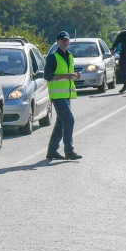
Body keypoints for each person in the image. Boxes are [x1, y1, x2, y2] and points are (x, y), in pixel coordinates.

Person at [44, 31, 82, 161]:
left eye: (67, 40)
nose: (65, 42)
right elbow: (47, 76)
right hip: (57, 95)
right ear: (58, 42)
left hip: (66, 94)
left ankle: (52, 151)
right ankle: (69, 151)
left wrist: (75, 75)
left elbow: (68, 73)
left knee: (60, 123)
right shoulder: (52, 57)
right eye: (63, 40)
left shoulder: (70, 56)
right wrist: (67, 76)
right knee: (69, 120)